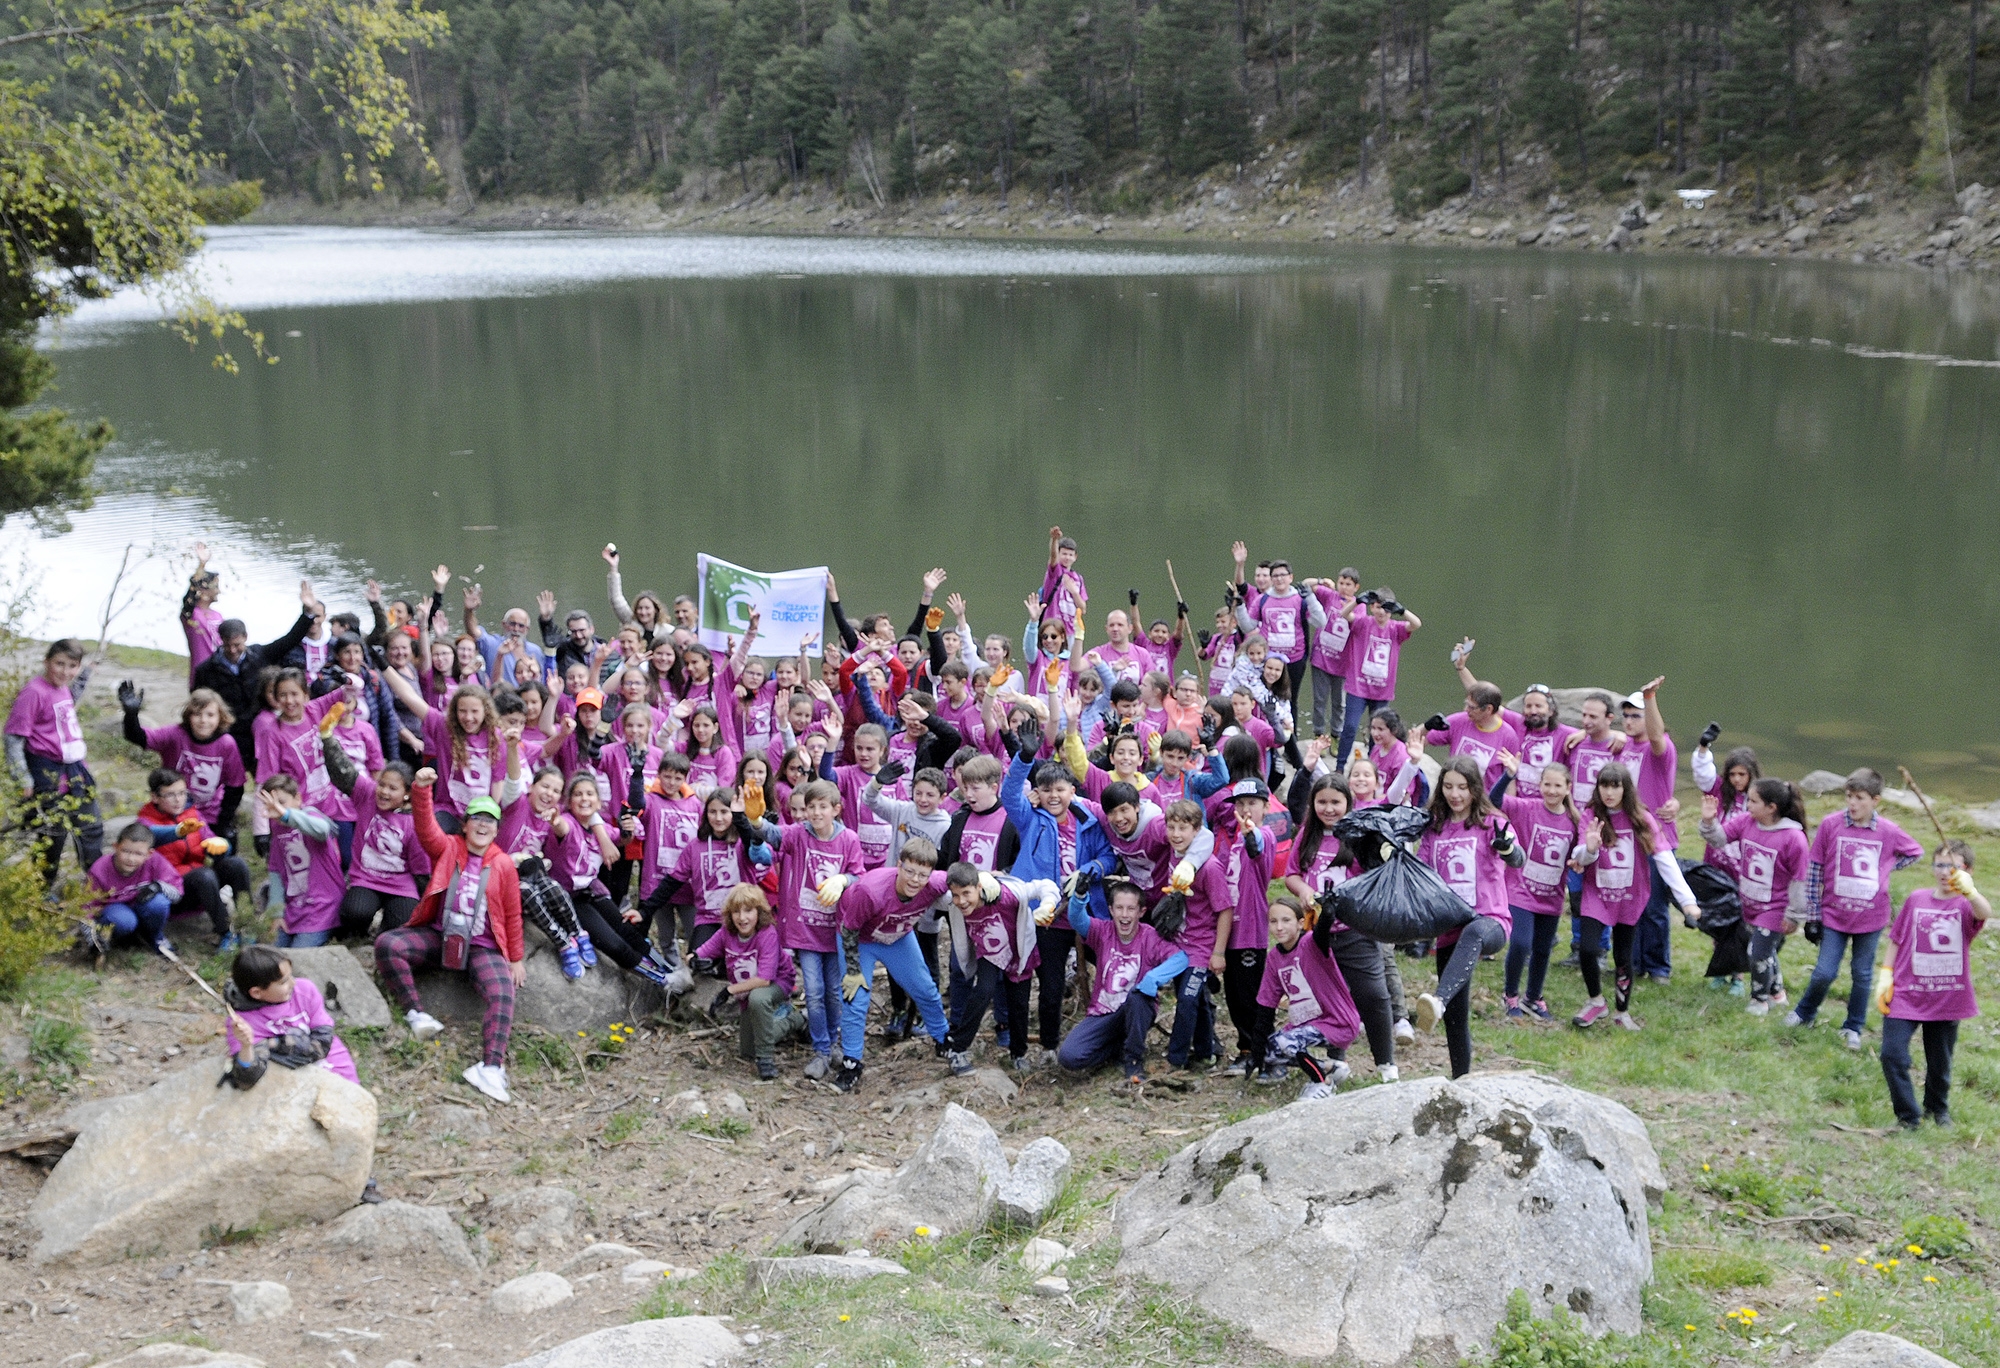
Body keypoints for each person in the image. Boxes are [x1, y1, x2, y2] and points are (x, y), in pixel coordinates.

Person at [374, 774, 526, 1105]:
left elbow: (513, 915)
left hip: (481, 948)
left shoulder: (503, 865)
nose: (482, 826)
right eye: (476, 819)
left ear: (497, 829)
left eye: (489, 821)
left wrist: (515, 957)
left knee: (503, 994)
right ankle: (416, 1014)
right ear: (465, 824)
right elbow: (426, 826)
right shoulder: (449, 848)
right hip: (440, 936)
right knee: (389, 945)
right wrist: (421, 789)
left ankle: (490, 1067)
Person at [1792, 768, 1925, 1048]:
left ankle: (1853, 1027)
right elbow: (1815, 868)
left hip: (1871, 918)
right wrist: (1812, 916)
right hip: (1834, 914)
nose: (1852, 803)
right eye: (1849, 797)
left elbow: (1915, 851)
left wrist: (1886, 868)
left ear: (1875, 801)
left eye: (1860, 798)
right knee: (1824, 972)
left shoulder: (1888, 831)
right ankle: (1804, 1012)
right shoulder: (1831, 825)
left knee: (1862, 974)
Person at [1411, 757, 1523, 1077]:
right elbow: (1423, 874)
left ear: (1475, 789)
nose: (1455, 794)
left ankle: (1439, 998)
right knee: (1455, 1021)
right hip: (1450, 929)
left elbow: (1518, 858)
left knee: (1473, 931)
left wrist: (1506, 849)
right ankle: (1462, 1081)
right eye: (1448, 786)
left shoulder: (1492, 821)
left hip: (1491, 923)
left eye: (1462, 787)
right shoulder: (1435, 829)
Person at [1567, 763, 1698, 1031]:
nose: (1609, 792)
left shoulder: (1641, 818)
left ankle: (1621, 1012)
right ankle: (1596, 1001)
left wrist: (1687, 901)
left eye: (1615, 786)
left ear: (1626, 789)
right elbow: (1582, 856)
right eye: (1604, 785)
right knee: (1589, 949)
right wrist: (1590, 848)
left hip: (1629, 895)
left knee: (1623, 956)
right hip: (1598, 893)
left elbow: (1664, 858)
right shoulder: (1591, 815)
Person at [820, 836, 953, 1091]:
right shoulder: (871, 891)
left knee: (924, 987)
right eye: (910, 871)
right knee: (856, 998)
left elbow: (960, 876)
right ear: (899, 865)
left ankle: (943, 1038)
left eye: (922, 875)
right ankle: (851, 1062)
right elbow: (849, 929)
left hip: (898, 936)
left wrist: (986, 879)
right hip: (861, 938)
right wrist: (854, 969)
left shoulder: (935, 884)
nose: (915, 880)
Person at [758, 778, 865, 1079]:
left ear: (836, 809)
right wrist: (752, 818)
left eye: (822, 807)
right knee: (814, 991)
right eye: (810, 808)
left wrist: (843, 879)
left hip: (834, 929)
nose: (815, 814)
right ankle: (820, 1050)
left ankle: (833, 1042)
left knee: (833, 990)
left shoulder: (849, 840)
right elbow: (772, 834)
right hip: (804, 928)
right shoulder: (798, 834)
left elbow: (858, 876)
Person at [1879, 842, 1989, 1130]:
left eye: (1953, 866)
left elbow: (1984, 912)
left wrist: (1971, 891)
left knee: (1940, 1063)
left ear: (1967, 871)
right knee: (1892, 1054)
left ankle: (1937, 1108)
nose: (1944, 872)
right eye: (1939, 864)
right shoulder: (1916, 899)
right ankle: (1908, 1117)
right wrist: (1886, 974)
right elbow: (1897, 938)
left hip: (1947, 997)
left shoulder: (1965, 906)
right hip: (1906, 993)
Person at [1055, 880, 1187, 1083]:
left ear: (1141, 912)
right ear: (1111, 910)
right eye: (1119, 908)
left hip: (1137, 1009)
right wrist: (1080, 897)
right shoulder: (1103, 931)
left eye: (1131, 909)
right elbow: (1078, 920)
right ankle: (1117, 1048)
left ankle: (1133, 1060)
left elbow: (1180, 958)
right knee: (1068, 1057)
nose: (1125, 915)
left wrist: (1153, 978)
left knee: (1137, 997)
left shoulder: (1149, 936)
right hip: (1103, 1012)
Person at [1699, 778, 1809, 1016]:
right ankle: (1777, 991)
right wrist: (1709, 821)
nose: (1747, 804)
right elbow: (1719, 839)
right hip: (1749, 903)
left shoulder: (1793, 838)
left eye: (1753, 801)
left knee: (1756, 952)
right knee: (1764, 949)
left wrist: (1795, 915)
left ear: (1772, 807)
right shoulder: (1746, 822)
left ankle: (1759, 1000)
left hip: (1776, 908)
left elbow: (1800, 879)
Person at [191, 582, 318, 773]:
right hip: (229, 733)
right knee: (230, 778)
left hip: (261, 730)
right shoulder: (206, 670)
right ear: (220, 641)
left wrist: (307, 612)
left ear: (245, 637)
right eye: (228, 646)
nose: (233, 650)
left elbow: (289, 640)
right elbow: (197, 702)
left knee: (267, 773)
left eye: (237, 645)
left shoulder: (260, 656)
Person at [1491, 755, 1579, 1025]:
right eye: (1547, 785)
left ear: (1568, 788)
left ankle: (1533, 996)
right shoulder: (1527, 808)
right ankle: (1510, 995)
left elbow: (1585, 851)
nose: (1551, 791)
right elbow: (1494, 800)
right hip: (1521, 891)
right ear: (1539, 786)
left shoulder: (1575, 821)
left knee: (1542, 949)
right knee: (1520, 943)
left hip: (1551, 895)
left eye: (1557, 786)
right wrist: (1509, 775)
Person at [7, 639, 103, 887]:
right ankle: (43, 887)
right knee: (53, 832)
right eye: (59, 663)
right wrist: (24, 778)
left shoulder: (63, 687)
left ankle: (97, 884)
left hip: (74, 768)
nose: (65, 671)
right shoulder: (34, 692)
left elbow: (67, 703)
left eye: (72, 666)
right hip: (47, 769)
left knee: (90, 825)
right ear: (47, 661)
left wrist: (86, 675)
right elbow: (14, 738)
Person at [942, 865, 1055, 1073]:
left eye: (966, 893)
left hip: (1019, 952)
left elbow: (1043, 886)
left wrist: (1047, 905)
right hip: (990, 953)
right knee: (983, 991)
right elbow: (932, 889)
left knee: (1019, 1004)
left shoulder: (1008, 896)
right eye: (956, 895)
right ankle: (957, 1049)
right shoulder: (954, 904)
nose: (962, 901)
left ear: (978, 887)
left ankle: (1018, 1053)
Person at [322, 729, 430, 942]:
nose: (384, 792)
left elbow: (420, 866)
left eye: (393, 788)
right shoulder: (367, 795)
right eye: (382, 784)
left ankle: (382, 935)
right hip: (367, 878)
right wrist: (327, 739)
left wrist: (425, 900)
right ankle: (357, 935)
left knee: (400, 925)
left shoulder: (415, 820)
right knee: (354, 912)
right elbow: (343, 771)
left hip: (401, 883)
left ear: (407, 793)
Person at [1255, 894, 1361, 1099]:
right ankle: (1331, 1067)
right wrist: (1257, 1050)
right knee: (1270, 1049)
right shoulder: (1274, 958)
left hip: (1337, 1022)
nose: (1279, 927)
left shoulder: (1310, 943)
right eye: (1273, 921)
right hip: (1305, 1024)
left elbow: (1321, 934)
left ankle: (1322, 1081)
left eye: (1286, 920)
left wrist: (1328, 915)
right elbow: (1267, 1002)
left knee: (1287, 1043)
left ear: (1300, 923)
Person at [121, 683, 248, 851]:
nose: (203, 720)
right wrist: (131, 715)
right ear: (189, 716)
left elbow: (235, 787)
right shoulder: (175, 734)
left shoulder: (226, 744)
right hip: (173, 812)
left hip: (211, 813)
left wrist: (225, 821)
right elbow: (139, 737)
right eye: (197, 714)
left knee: (227, 849)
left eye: (210, 715)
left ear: (220, 717)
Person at [695, 884, 800, 1081]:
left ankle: (766, 1059)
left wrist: (728, 990)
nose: (742, 918)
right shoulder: (728, 932)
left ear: (759, 912)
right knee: (747, 1050)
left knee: (758, 999)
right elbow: (705, 950)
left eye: (748, 911)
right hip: (746, 988)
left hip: (777, 982)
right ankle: (794, 1020)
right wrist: (695, 958)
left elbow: (764, 979)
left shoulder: (767, 933)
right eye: (736, 912)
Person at [136, 768, 249, 951]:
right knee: (203, 875)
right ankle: (226, 932)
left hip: (204, 885)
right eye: (170, 795)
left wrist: (222, 846)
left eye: (182, 793)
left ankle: (247, 926)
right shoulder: (145, 822)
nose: (178, 799)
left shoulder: (193, 814)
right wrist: (178, 831)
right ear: (155, 797)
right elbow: (151, 834)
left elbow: (210, 842)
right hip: (175, 892)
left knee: (236, 865)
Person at [221, 945, 358, 1087]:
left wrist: (271, 1044)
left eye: (291, 976)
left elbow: (322, 1043)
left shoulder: (305, 990)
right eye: (283, 982)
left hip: (336, 1064)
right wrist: (246, 1046)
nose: (293, 983)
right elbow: (247, 1079)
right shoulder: (242, 1023)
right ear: (257, 992)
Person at [1617, 678, 1681, 984]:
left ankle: (1658, 968)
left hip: (1657, 837)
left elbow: (1656, 735)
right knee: (1631, 902)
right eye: (1626, 715)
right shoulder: (1624, 746)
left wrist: (1650, 697)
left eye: (1636, 715)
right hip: (1627, 837)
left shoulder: (1661, 748)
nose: (1629, 721)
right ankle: (1633, 962)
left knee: (1654, 906)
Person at [1215, 779, 1278, 1077]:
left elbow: (1257, 849)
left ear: (1266, 807)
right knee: (1235, 995)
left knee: (1250, 995)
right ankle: (1246, 1049)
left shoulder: (1262, 834)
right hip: (1231, 928)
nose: (1244, 810)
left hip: (1251, 929)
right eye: (1239, 804)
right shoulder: (1235, 840)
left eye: (1252, 803)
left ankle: (1260, 1050)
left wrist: (1249, 833)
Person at [1336, 589, 1421, 767]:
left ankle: (1373, 765)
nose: (1381, 612)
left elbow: (1416, 624)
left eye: (1386, 609)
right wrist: (1358, 601)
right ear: (1372, 608)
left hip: (1382, 690)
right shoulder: (1363, 623)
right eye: (1378, 607)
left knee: (1379, 731)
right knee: (1350, 726)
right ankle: (1340, 766)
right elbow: (1344, 614)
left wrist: (1401, 610)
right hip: (1358, 686)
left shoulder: (1396, 629)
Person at [261, 773, 345, 948]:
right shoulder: (277, 828)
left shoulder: (310, 815)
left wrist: (285, 814)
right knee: (272, 949)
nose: (275, 810)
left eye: (281, 803)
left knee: (299, 953)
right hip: (295, 907)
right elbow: (275, 870)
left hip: (323, 906)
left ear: (298, 799)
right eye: (269, 805)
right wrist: (276, 912)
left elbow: (322, 830)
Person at [84, 823, 182, 956]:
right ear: (115, 847)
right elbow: (86, 908)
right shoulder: (99, 869)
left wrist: (158, 886)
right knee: (124, 921)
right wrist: (92, 939)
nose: (131, 859)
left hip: (141, 905)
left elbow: (177, 893)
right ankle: (120, 939)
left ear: (149, 854)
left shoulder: (155, 861)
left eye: (138, 854)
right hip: (115, 911)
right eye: (125, 851)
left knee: (159, 903)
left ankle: (155, 937)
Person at [179, 543, 223, 686]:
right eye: (215, 587)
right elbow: (188, 600)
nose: (218, 591)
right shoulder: (193, 616)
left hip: (220, 674)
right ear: (202, 591)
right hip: (202, 677)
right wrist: (201, 565)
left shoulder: (218, 616)